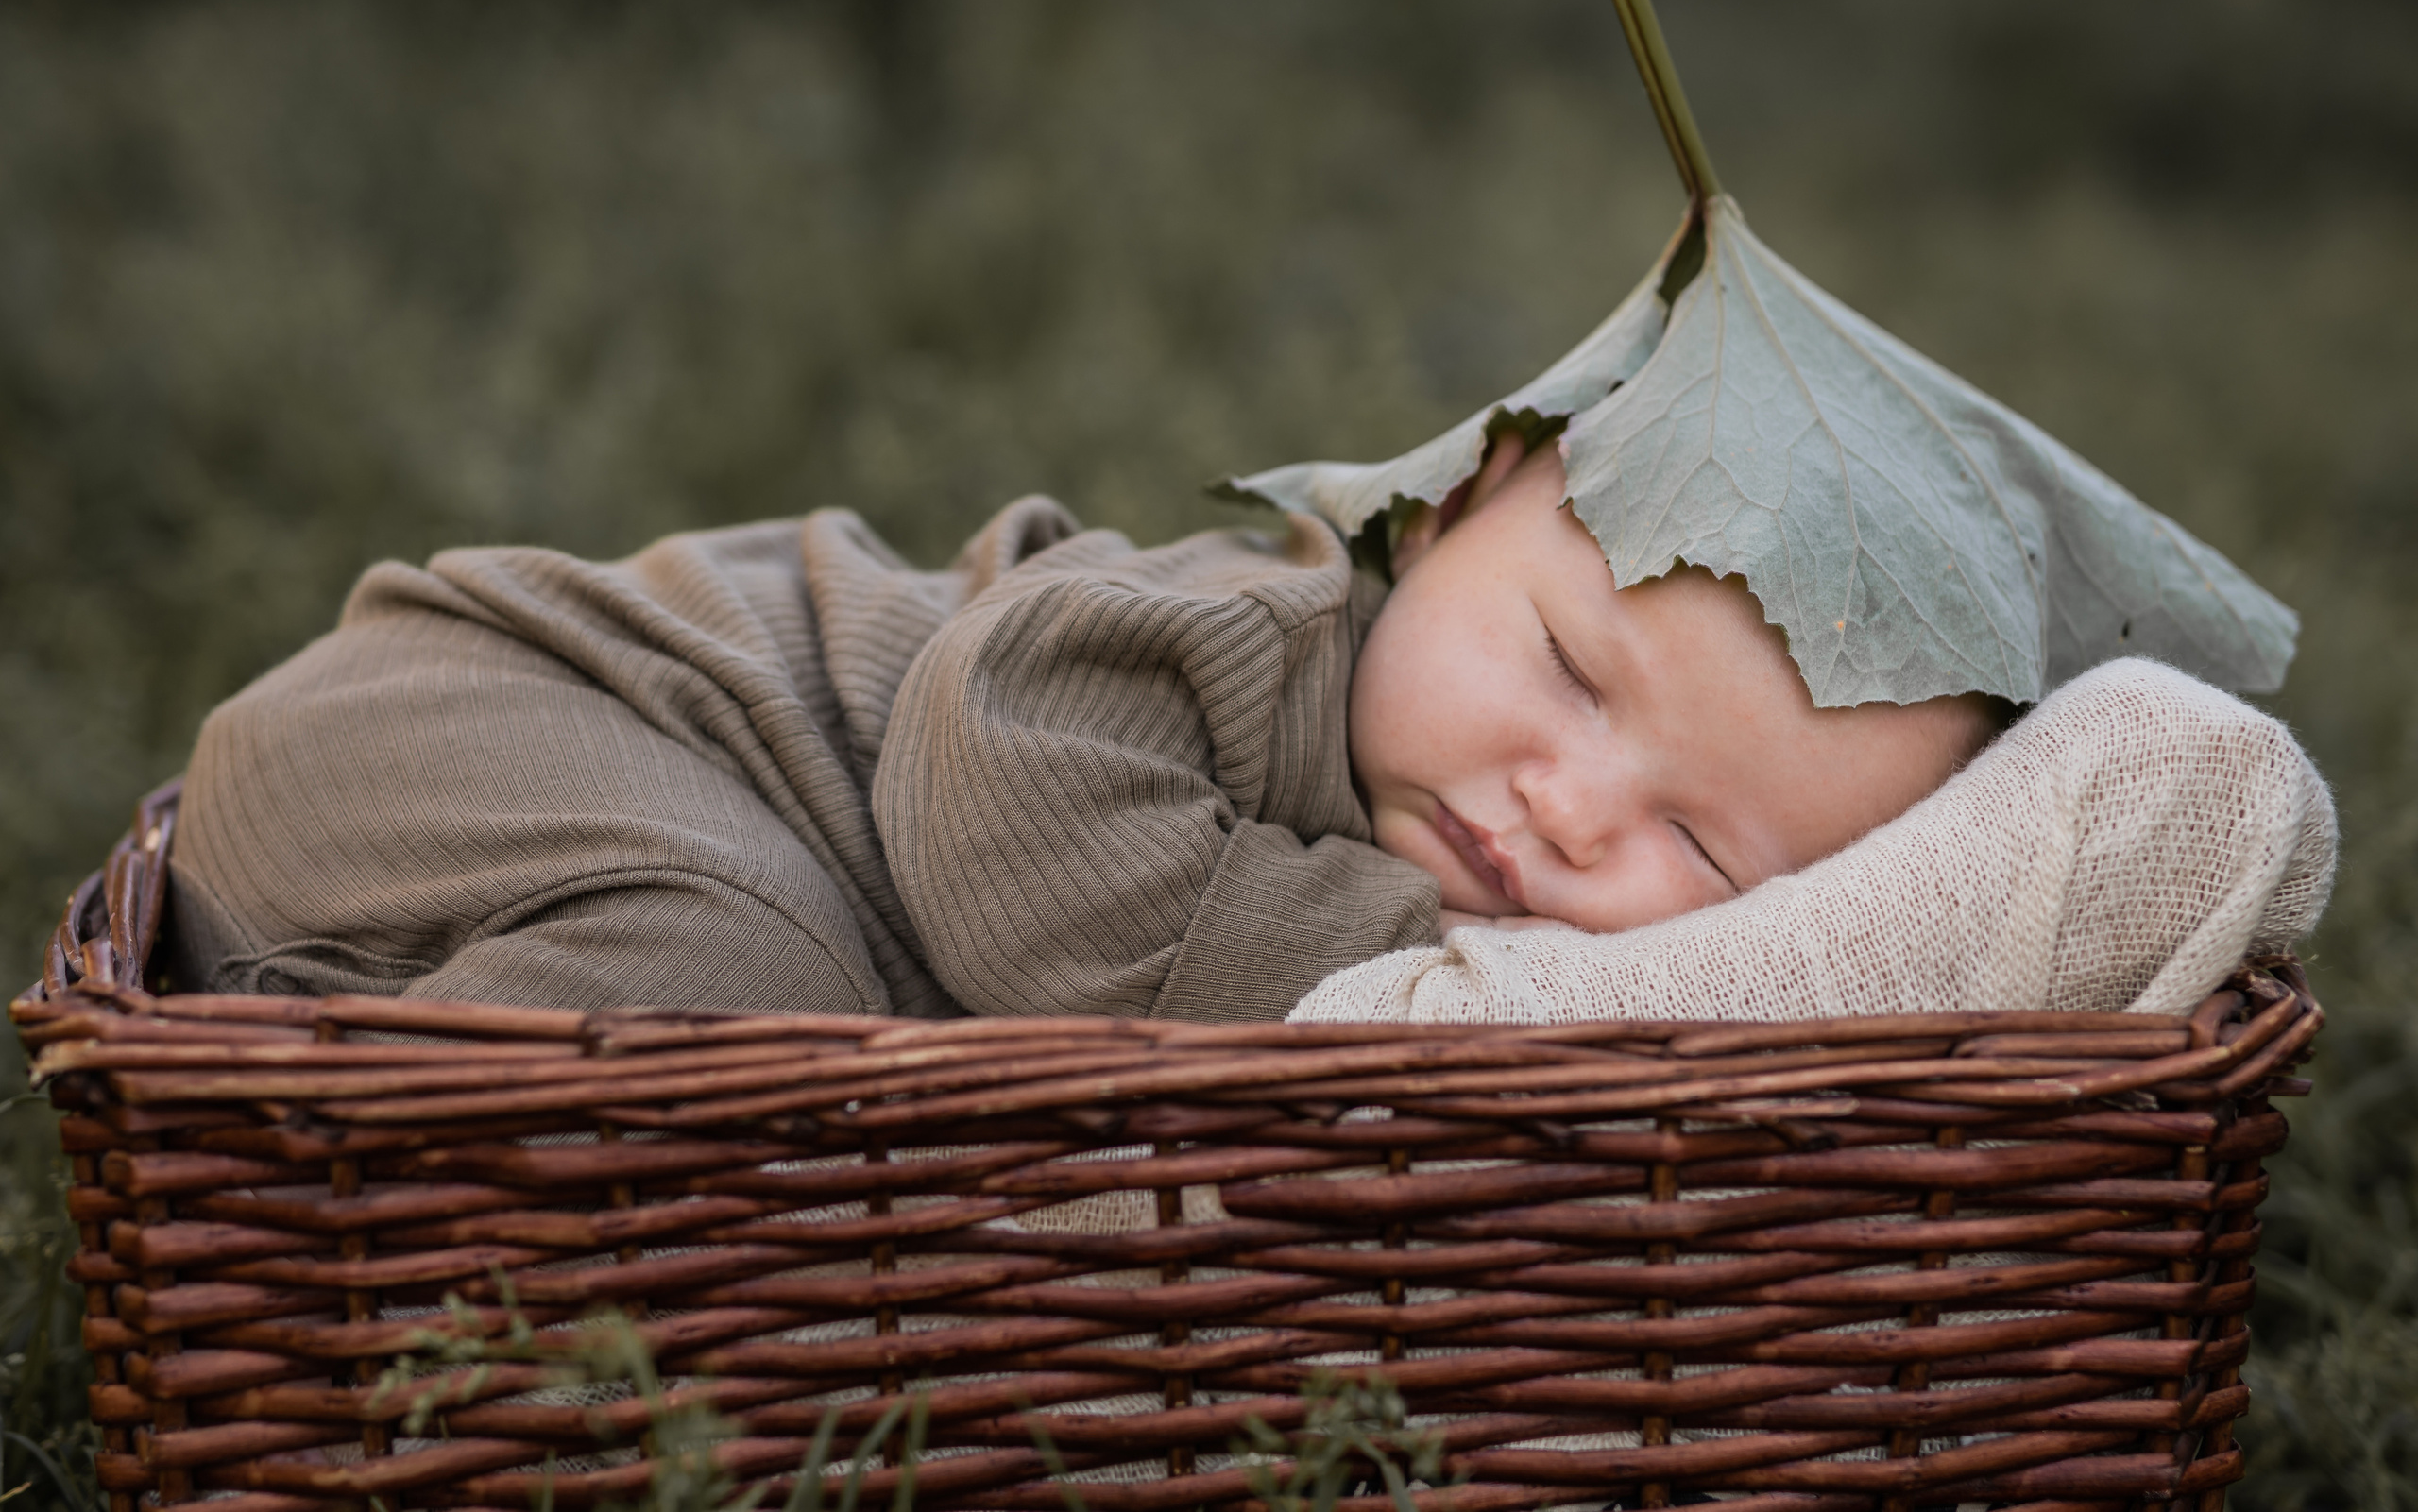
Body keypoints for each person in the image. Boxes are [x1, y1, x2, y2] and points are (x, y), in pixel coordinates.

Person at [162, 427, 1997, 1023]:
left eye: (1701, 849)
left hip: (517, 847)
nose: (1571, 803)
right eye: (1572, 675)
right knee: (737, 987)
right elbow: (1013, 833)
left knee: (756, 1012)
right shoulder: (1213, 640)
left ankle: (323, 1057)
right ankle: (336, 1189)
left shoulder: (1434, 775)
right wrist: (1447, 975)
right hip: (488, 714)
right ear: (1451, 510)